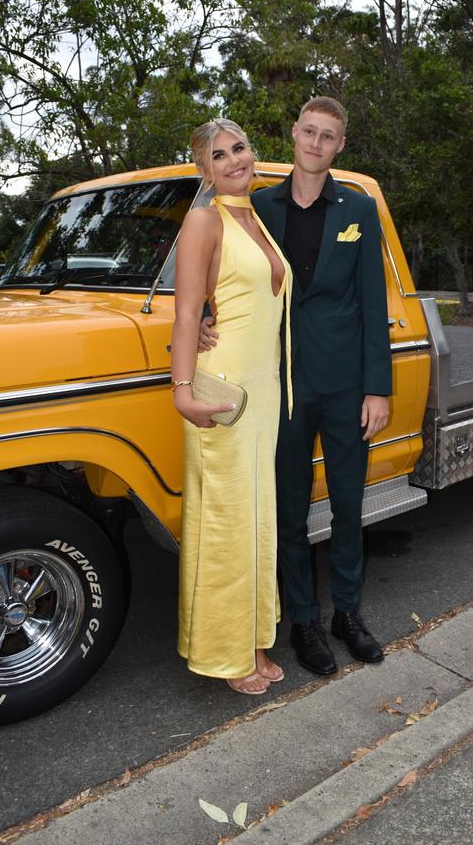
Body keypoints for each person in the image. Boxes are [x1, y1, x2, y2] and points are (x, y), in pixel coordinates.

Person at [200, 97, 392, 676]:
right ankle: (304, 619)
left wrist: (376, 389)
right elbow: (224, 272)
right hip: (278, 384)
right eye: (308, 131)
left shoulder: (359, 208)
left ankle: (349, 614)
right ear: (293, 133)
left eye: (327, 136)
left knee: (349, 504)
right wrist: (205, 318)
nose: (314, 143)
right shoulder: (256, 206)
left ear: (339, 146)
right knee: (287, 509)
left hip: (344, 384)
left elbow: (373, 302)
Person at [171, 119, 292, 695]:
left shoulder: (258, 216)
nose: (233, 160)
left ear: (253, 151)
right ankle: (224, 652)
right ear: (205, 170)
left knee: (255, 518)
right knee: (224, 523)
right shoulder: (203, 219)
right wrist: (182, 391)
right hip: (223, 396)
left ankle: (254, 639)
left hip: (263, 392)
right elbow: (187, 309)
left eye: (239, 147)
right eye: (218, 156)